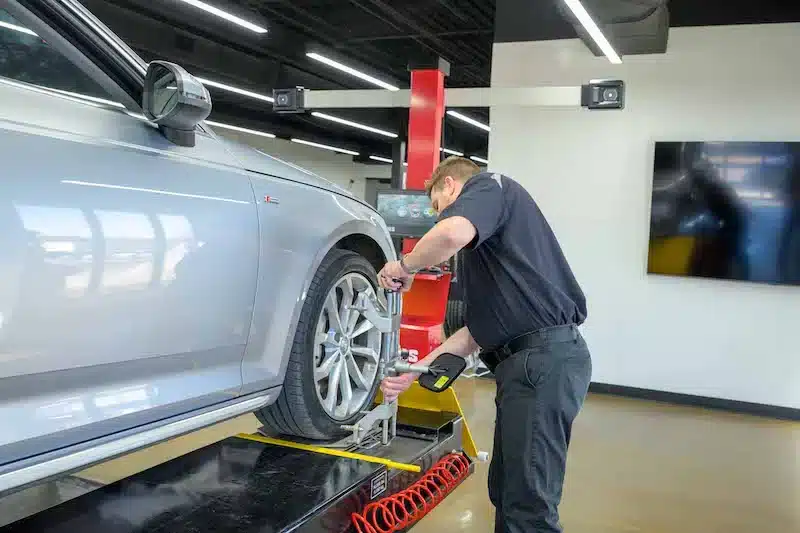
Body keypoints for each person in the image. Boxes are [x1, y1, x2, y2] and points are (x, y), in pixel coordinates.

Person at [377, 156, 592, 533]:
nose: (437, 217)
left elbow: (449, 234)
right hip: (526, 365)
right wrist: (419, 371)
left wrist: (405, 265)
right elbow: (477, 332)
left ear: (449, 185)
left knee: (529, 506)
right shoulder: (490, 253)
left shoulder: (490, 186)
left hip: (542, 362)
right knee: (507, 492)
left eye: (437, 207)